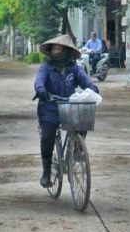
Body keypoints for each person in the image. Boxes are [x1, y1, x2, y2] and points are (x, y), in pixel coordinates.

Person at [33, 34, 99, 188]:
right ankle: (46, 172)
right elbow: (39, 81)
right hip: (49, 107)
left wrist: (93, 90)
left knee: (84, 116)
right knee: (47, 137)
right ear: (50, 51)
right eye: (54, 49)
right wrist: (41, 90)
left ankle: (76, 149)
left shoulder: (74, 68)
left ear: (66, 51)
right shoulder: (46, 67)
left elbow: (86, 81)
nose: (56, 51)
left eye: (59, 48)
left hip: (69, 106)